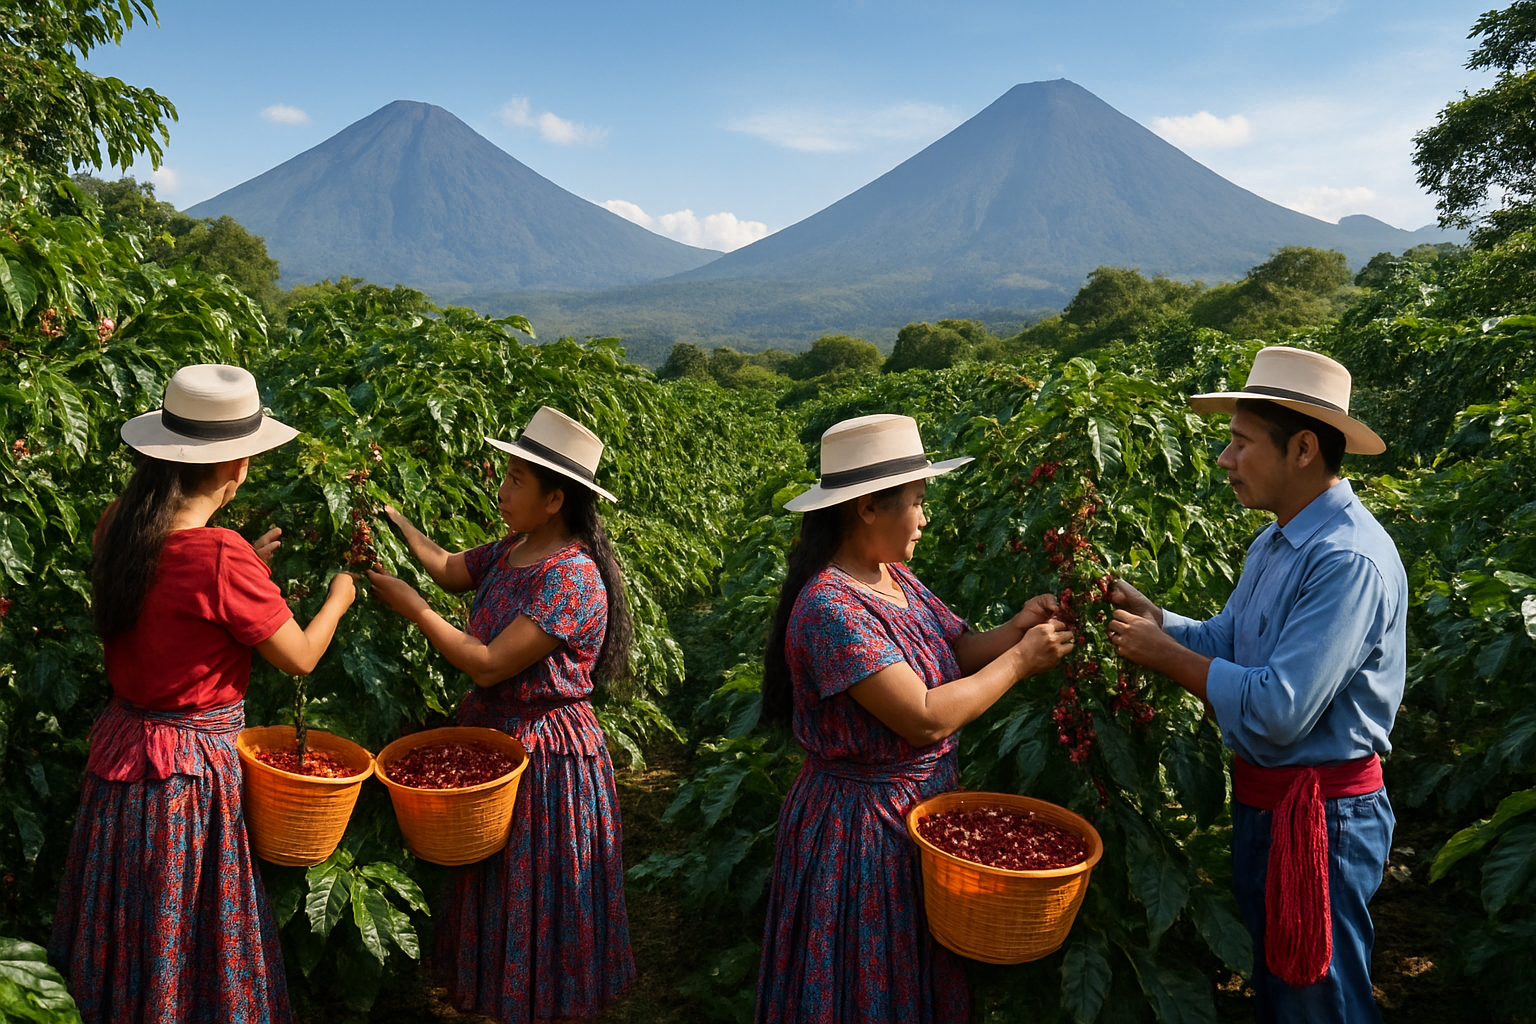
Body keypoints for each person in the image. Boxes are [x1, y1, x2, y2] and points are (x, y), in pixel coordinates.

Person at [50, 364, 358, 1024]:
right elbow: (299, 657)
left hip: (120, 763)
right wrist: (338, 599)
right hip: (188, 780)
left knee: (124, 930)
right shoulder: (221, 558)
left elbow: (175, 599)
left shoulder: (118, 524)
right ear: (238, 464)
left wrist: (245, 567)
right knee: (189, 935)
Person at [1106, 346, 1406, 1023]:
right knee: (1281, 990)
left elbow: (1278, 709)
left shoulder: (1346, 561)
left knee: (1316, 998)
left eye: (1240, 444)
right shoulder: (1275, 542)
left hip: (1322, 818)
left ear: (1302, 449)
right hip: (1273, 804)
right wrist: (1157, 620)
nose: (1224, 459)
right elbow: (1229, 642)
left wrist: (1163, 656)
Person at [754, 413, 1075, 1024]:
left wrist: (1015, 630)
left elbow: (951, 650)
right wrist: (1020, 664)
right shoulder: (829, 607)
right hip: (861, 833)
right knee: (866, 978)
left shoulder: (893, 578)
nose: (925, 519)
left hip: (919, 816)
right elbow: (923, 717)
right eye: (917, 503)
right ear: (868, 507)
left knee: (915, 979)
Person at [367, 406, 635, 1024]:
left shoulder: (573, 577)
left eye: (517, 480)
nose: (502, 489)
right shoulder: (513, 548)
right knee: (493, 881)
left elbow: (488, 663)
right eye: (507, 474)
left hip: (544, 750)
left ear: (554, 500)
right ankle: (502, 997)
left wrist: (415, 610)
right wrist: (389, 515)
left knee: (538, 881)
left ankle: (547, 1003)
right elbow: (447, 567)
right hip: (490, 741)